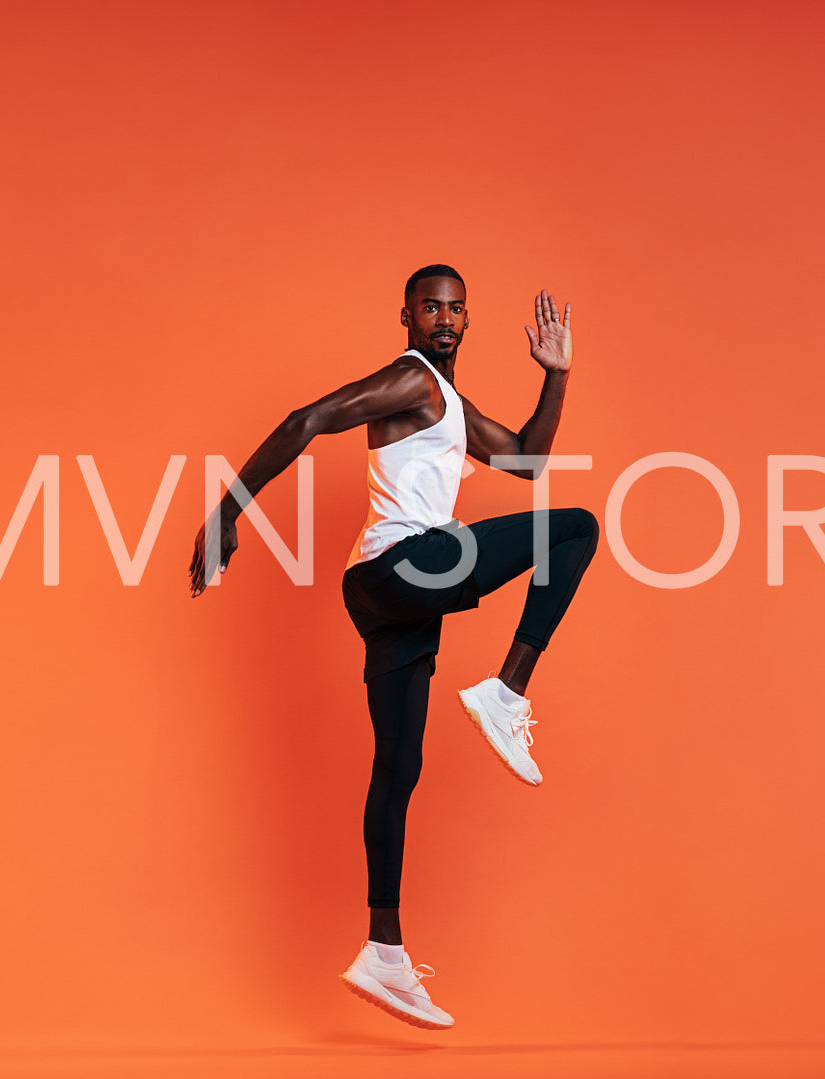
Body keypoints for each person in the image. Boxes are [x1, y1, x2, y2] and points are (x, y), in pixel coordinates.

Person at [188, 265, 598, 1029]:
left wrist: (556, 376)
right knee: (572, 528)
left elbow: (522, 460)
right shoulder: (411, 379)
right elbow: (304, 419)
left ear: (467, 319)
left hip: (384, 595)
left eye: (454, 308)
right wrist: (227, 512)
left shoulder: (445, 402)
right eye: (429, 306)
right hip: (400, 567)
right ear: (405, 316)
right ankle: (505, 692)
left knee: (397, 768)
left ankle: (382, 948)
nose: (443, 318)